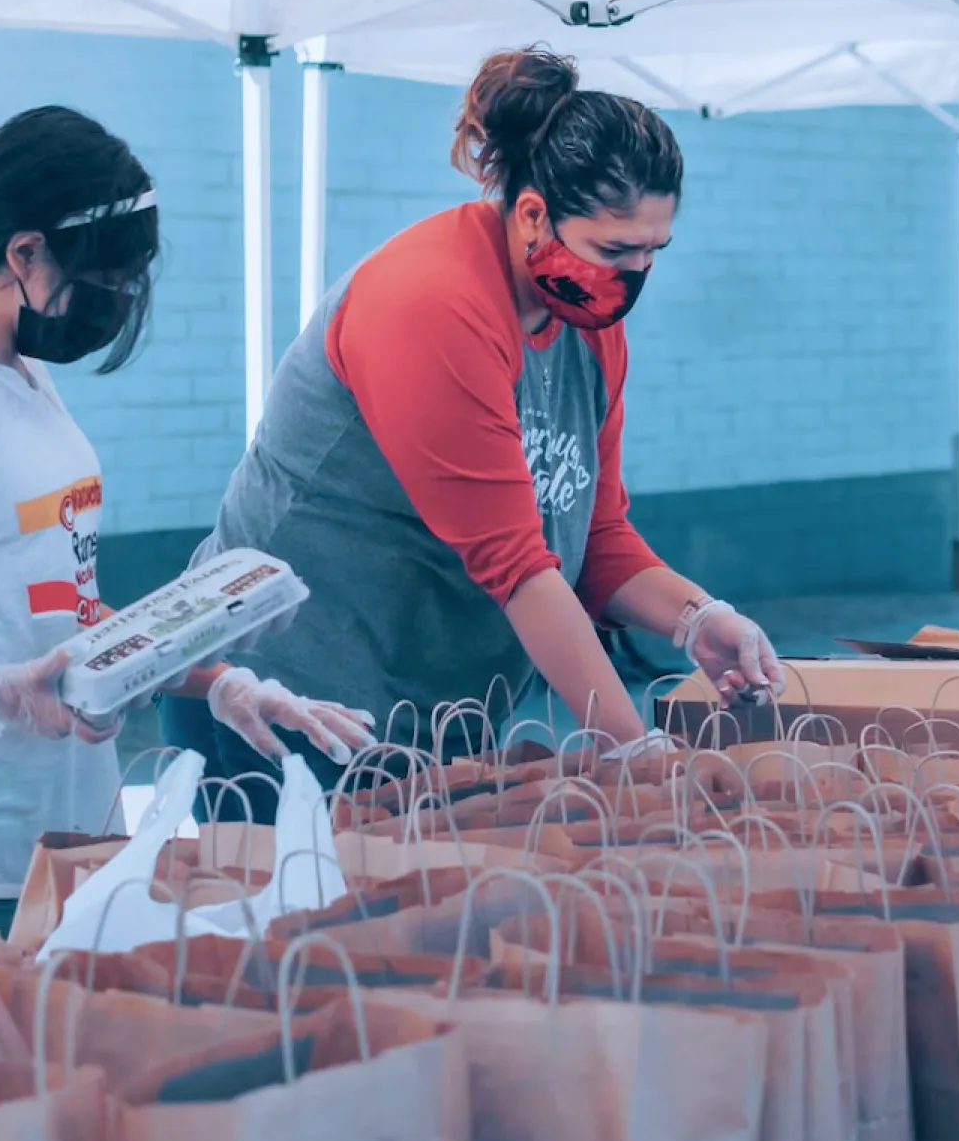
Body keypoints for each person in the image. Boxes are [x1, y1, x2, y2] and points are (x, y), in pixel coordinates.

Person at [0, 107, 373, 940]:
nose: (115, 304)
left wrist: (216, 680)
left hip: (54, 835)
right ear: (24, 253)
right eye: (108, 282)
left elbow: (57, 617)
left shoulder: (13, 373)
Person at [160, 46, 784, 823]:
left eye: (653, 252)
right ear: (531, 215)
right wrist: (638, 751)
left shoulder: (588, 326)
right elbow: (518, 567)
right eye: (614, 250)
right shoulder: (430, 305)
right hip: (283, 696)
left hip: (426, 712)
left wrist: (697, 618)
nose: (633, 277)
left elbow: (595, 534)